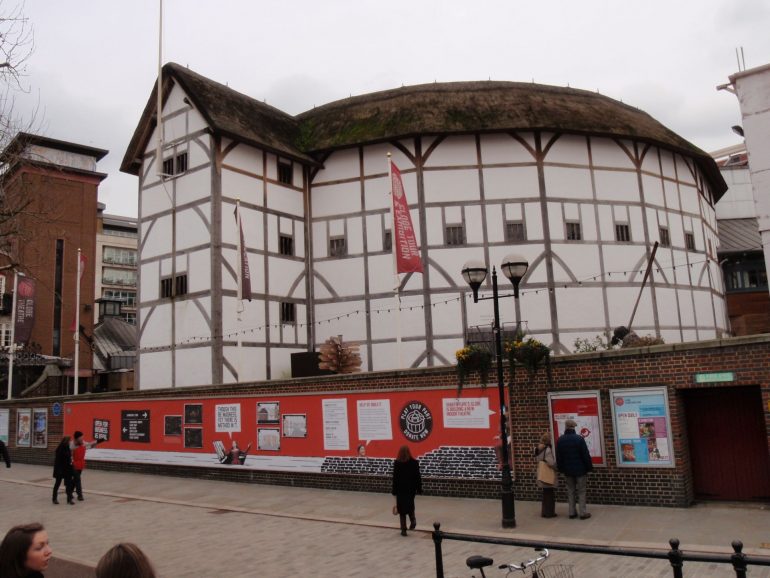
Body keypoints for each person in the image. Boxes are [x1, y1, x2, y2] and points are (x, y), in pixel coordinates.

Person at [556, 419, 593, 520]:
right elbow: (585, 455)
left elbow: (559, 457)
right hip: (580, 469)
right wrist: (589, 467)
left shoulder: (560, 440)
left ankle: (571, 512)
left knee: (570, 491)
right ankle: (583, 512)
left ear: (566, 427)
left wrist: (561, 469)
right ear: (573, 427)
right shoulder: (579, 439)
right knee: (581, 491)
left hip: (568, 471)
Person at [391, 445, 422, 536]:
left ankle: (403, 529)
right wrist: (419, 489)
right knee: (410, 506)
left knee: (402, 510)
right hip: (410, 490)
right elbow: (418, 477)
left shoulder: (397, 463)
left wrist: (394, 491)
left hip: (401, 490)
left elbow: (395, 478)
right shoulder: (414, 463)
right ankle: (413, 521)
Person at [71, 430, 101, 501]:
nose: (82, 439)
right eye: (81, 437)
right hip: (73, 464)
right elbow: (68, 454)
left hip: (80, 464)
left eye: (82, 437)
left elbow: (89, 445)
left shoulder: (83, 443)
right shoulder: (71, 444)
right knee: (78, 479)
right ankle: (80, 495)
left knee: (75, 480)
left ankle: (69, 491)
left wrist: (95, 443)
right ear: (77, 438)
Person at [534, 432, 557, 518]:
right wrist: (556, 468)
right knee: (549, 494)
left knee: (545, 494)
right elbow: (551, 462)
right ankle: (549, 513)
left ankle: (544, 512)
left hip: (541, 472)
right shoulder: (547, 449)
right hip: (547, 473)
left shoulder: (537, 448)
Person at [52, 436, 75, 505]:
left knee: (68, 484)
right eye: (69, 441)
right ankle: (54, 498)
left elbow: (69, 458)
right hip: (60, 469)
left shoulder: (67, 448)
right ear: (66, 441)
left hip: (67, 469)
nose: (70, 442)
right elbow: (58, 461)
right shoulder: (60, 448)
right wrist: (58, 470)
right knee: (57, 484)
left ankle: (69, 499)